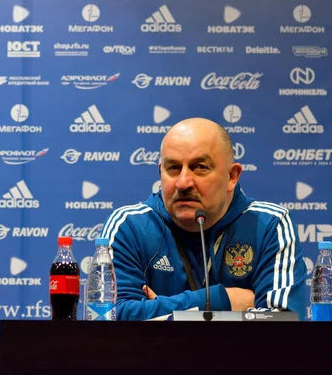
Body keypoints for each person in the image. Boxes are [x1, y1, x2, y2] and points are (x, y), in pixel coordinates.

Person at [100, 117, 307, 320]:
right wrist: (222, 299)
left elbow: (283, 322)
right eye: (173, 168)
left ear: (232, 176)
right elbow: (108, 316)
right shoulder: (129, 226)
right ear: (160, 172)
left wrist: (160, 311)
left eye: (200, 167)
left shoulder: (269, 224)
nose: (183, 182)